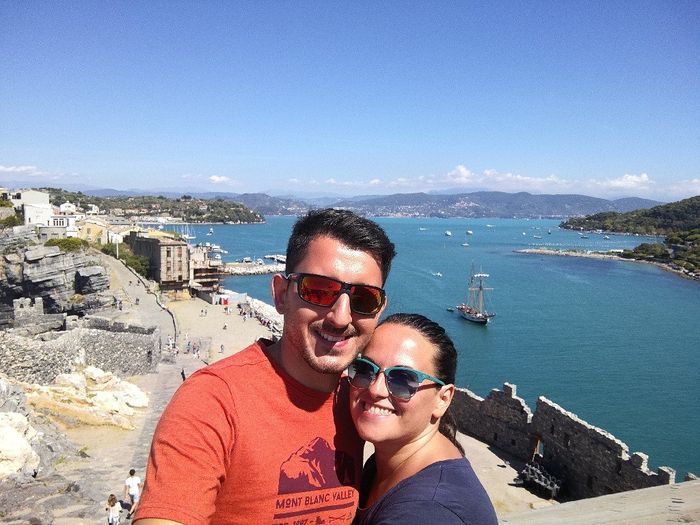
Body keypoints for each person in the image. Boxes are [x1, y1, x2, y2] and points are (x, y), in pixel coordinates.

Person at [134, 209, 396, 525]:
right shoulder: (212, 401)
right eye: (319, 290)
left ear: (379, 310)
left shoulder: (366, 403)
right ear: (281, 295)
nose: (341, 318)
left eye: (364, 299)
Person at [348, 313, 497, 524]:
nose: (375, 389)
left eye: (403, 380)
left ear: (442, 399)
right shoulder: (386, 464)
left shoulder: (428, 512)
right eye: (365, 369)